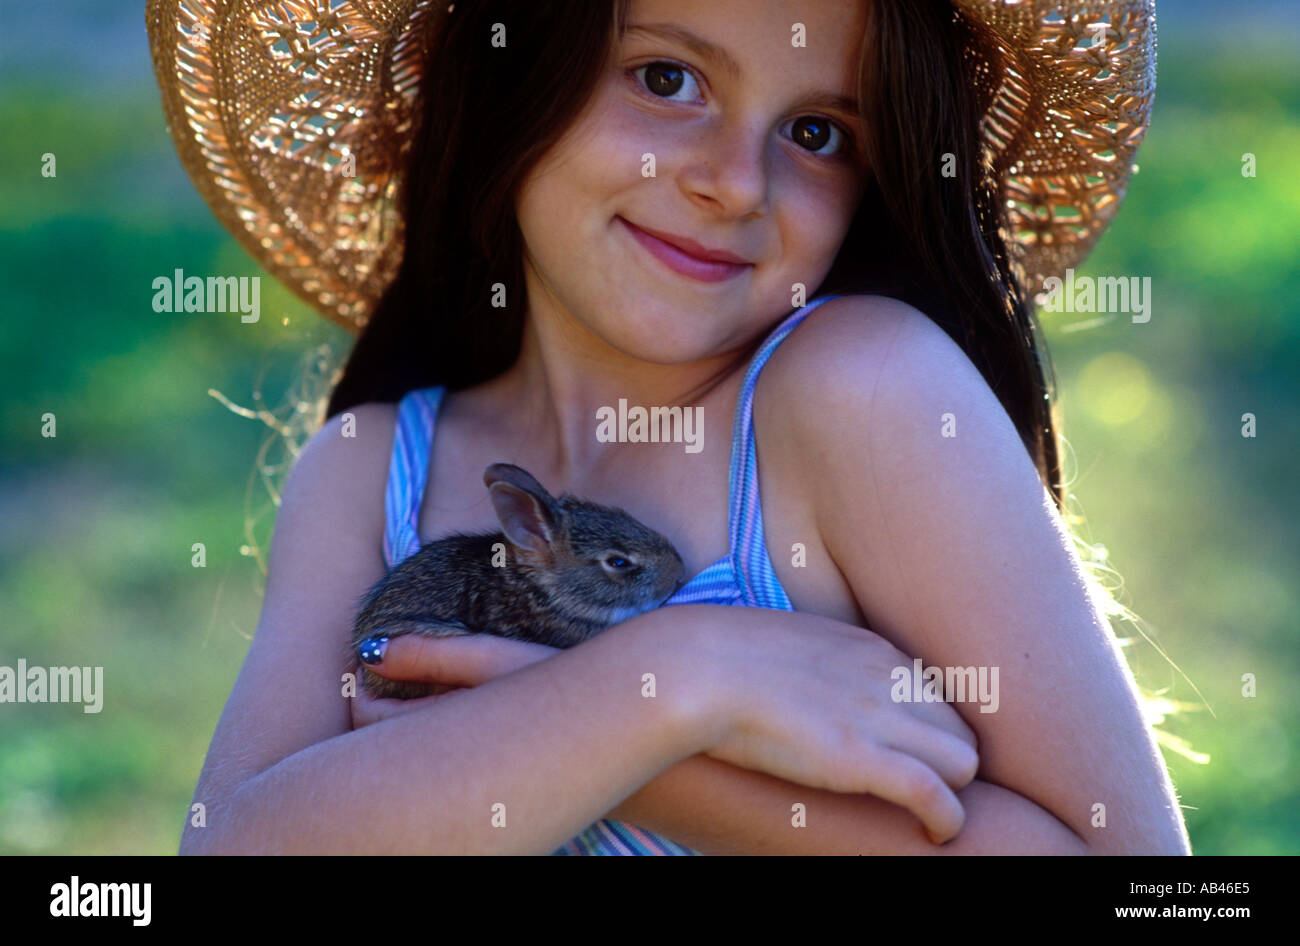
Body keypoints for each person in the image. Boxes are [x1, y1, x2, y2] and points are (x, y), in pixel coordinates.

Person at [149, 0, 1191, 854]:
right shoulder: (370, 469)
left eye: (817, 133)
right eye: (664, 79)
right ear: (501, 69)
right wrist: (683, 681)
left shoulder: (862, 393)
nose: (735, 182)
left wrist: (649, 723)